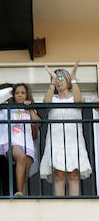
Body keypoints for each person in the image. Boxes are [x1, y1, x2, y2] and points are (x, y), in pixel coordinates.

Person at [39, 63, 92, 195]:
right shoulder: (53, 99)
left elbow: (79, 102)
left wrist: (74, 77)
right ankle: (59, 206)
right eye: (56, 79)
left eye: (60, 78)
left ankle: (74, 206)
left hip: (74, 140)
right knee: (58, 174)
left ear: (68, 80)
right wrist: (52, 83)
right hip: (56, 140)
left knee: (73, 174)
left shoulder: (76, 98)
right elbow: (46, 104)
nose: (58, 81)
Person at [5, 83, 40, 197]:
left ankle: (22, 199)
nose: (20, 95)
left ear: (27, 95)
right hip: (13, 142)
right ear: (13, 95)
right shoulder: (8, 108)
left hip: (28, 143)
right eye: (17, 93)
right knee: (21, 157)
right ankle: (19, 192)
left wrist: (29, 109)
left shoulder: (30, 109)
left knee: (24, 176)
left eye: (23, 93)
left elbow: (38, 123)